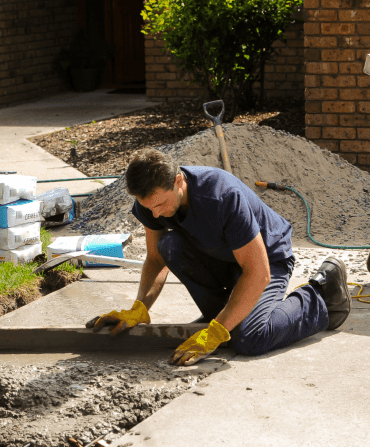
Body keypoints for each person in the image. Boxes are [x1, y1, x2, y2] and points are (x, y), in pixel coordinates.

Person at [86, 148, 351, 366]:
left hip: (267, 260)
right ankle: (228, 313)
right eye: (148, 208)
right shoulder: (151, 203)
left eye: (160, 205)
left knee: (250, 338)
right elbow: (156, 259)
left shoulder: (222, 197)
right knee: (170, 245)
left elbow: (258, 272)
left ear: (179, 181)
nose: (155, 215)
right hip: (222, 258)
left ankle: (321, 295)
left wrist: (217, 330)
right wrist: (140, 308)